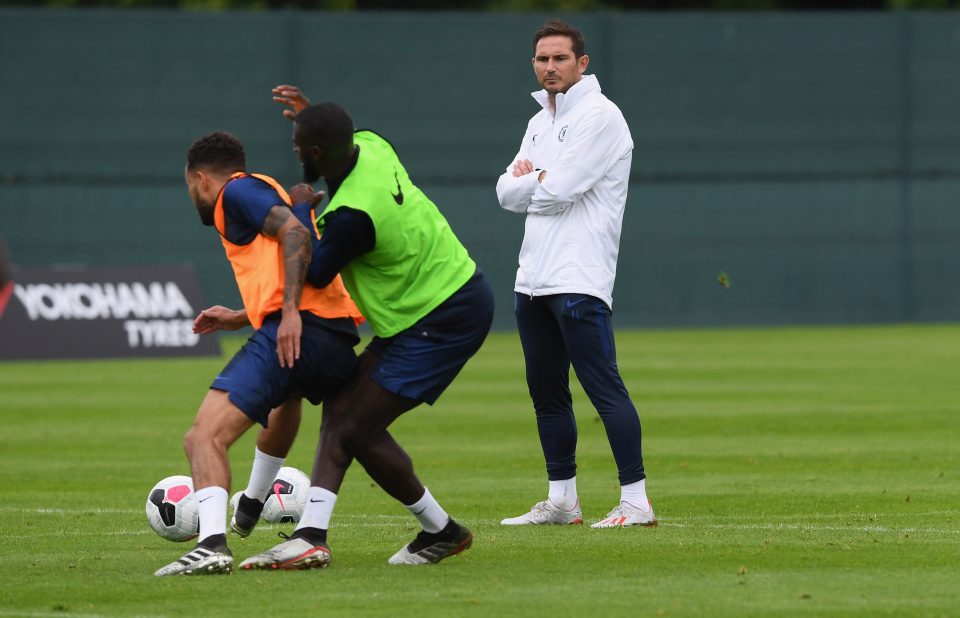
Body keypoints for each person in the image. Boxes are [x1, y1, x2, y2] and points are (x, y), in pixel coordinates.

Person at [238, 89, 495, 570]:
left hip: (443, 315)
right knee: (344, 411)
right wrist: (315, 117)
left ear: (317, 154)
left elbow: (313, 271)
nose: (295, 153)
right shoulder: (372, 143)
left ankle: (339, 534)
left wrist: (298, 209)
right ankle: (422, 531)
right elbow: (340, 137)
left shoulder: (351, 215)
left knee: (355, 424)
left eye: (299, 147)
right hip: (434, 304)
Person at [154, 132, 363, 576]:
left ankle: (210, 543)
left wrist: (286, 313)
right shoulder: (269, 189)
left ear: (201, 179)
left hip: (298, 327)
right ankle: (251, 503)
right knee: (299, 402)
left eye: (190, 186)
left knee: (202, 437)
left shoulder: (237, 191)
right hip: (336, 333)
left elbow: (293, 233)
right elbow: (293, 255)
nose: (192, 195)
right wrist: (244, 314)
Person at [495, 19, 656, 528]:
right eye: (542, 59)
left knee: (603, 387)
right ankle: (562, 500)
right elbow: (503, 192)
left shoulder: (602, 116)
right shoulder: (539, 121)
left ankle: (636, 502)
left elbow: (561, 188)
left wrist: (533, 179)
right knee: (546, 393)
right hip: (533, 277)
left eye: (560, 58)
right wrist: (533, 181)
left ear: (581, 63)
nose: (550, 67)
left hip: (580, 276)